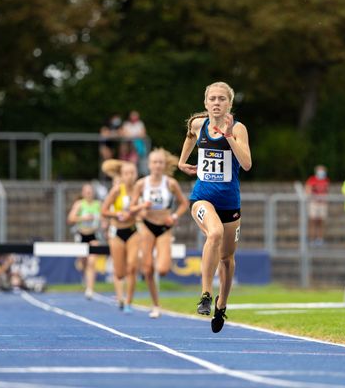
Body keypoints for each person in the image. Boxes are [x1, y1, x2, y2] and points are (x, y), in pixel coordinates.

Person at [178, 81, 252, 333]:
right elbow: (190, 134)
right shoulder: (199, 125)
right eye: (213, 98)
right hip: (202, 197)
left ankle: (222, 305)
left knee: (227, 259)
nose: (217, 102)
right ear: (206, 103)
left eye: (222, 99)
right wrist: (181, 162)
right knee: (215, 233)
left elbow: (247, 164)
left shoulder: (239, 129)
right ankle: (206, 294)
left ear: (230, 103)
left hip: (230, 202)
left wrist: (229, 135)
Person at [130, 148, 188, 318]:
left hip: (164, 226)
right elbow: (131, 208)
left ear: (164, 165)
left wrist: (175, 216)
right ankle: (156, 305)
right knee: (147, 269)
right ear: (149, 165)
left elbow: (184, 203)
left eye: (160, 162)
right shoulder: (141, 184)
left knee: (162, 269)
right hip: (147, 224)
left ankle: (156, 259)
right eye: (154, 162)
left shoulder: (170, 183)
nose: (157, 165)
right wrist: (142, 206)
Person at [101, 159, 141, 313]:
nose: (130, 176)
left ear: (136, 174)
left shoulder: (140, 189)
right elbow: (104, 211)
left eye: (132, 173)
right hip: (116, 232)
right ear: (122, 176)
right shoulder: (117, 190)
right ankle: (120, 297)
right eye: (126, 173)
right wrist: (116, 214)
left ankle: (129, 302)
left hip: (132, 230)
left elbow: (144, 211)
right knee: (119, 272)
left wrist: (139, 211)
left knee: (132, 266)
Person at [67, 183, 102, 299]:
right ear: (83, 193)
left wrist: (103, 223)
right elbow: (70, 219)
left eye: (90, 191)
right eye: (86, 192)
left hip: (94, 235)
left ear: (93, 193)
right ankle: (85, 276)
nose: (88, 194)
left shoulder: (98, 205)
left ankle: (90, 289)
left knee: (92, 262)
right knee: (83, 263)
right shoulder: (79, 204)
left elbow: (104, 219)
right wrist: (83, 218)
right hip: (81, 235)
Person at [305, 165, 329, 246]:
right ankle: (312, 239)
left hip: (322, 204)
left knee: (321, 222)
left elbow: (326, 191)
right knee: (313, 221)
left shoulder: (326, 180)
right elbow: (308, 189)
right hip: (314, 203)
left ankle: (320, 239)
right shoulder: (312, 179)